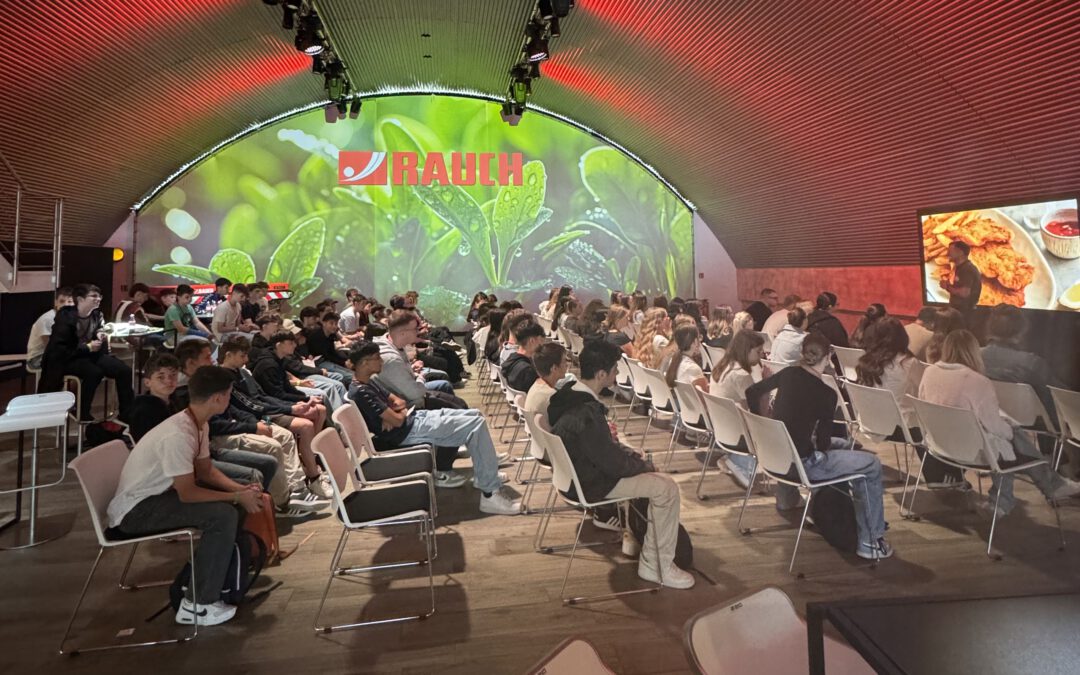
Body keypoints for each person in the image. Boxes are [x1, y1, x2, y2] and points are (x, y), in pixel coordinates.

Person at [107, 365, 262, 626]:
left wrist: (240, 490)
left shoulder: (197, 422)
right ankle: (198, 604)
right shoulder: (178, 434)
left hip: (156, 497)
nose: (229, 398)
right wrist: (236, 497)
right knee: (223, 515)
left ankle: (222, 580)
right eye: (228, 394)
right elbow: (188, 493)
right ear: (218, 398)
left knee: (233, 506)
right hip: (135, 511)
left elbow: (206, 471)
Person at [547, 340, 695, 589]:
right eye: (615, 369)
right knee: (666, 488)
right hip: (591, 484)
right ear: (601, 374)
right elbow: (613, 464)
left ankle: (637, 542)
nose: (617, 374)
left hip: (575, 477)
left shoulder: (569, 395)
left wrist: (630, 457)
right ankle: (656, 565)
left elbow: (604, 452)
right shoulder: (586, 412)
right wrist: (643, 465)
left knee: (644, 470)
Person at [747, 333, 893, 560]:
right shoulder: (827, 394)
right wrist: (813, 439)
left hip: (774, 456)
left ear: (803, 353)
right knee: (871, 465)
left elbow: (752, 392)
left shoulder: (788, 373)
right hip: (803, 465)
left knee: (845, 445)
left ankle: (815, 505)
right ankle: (870, 541)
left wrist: (766, 424)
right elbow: (823, 445)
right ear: (827, 358)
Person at [919, 330, 1080, 517]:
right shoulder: (977, 381)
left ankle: (1018, 496)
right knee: (1011, 436)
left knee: (1008, 435)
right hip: (973, 452)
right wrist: (1011, 429)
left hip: (939, 445)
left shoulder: (929, 372)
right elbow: (996, 428)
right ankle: (1041, 489)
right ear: (973, 351)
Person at [348, 342, 521, 514]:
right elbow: (398, 421)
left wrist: (394, 412)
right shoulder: (362, 392)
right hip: (408, 431)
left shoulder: (369, 382)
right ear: (364, 363)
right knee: (475, 425)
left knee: (475, 415)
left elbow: (400, 402)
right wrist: (395, 414)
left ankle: (483, 475)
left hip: (413, 419)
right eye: (377, 358)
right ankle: (490, 493)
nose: (381, 361)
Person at [132, 351, 276, 491]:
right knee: (252, 477)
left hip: (203, 451)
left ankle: (265, 502)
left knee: (268, 463)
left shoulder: (178, 400)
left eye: (172, 375)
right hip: (178, 466)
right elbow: (159, 455)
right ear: (147, 382)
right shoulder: (144, 411)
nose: (168, 381)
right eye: (161, 377)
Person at [218, 336, 333, 500]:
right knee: (304, 426)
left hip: (265, 411)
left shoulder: (243, 372)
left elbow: (262, 397)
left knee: (317, 411)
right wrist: (290, 408)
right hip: (257, 417)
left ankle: (310, 467)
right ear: (228, 355)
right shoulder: (224, 378)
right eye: (242, 355)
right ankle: (306, 479)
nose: (246, 359)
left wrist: (297, 403)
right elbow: (250, 406)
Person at [856, 318, 964, 487]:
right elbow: (927, 391)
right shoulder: (907, 363)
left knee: (923, 424)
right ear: (902, 337)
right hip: (899, 427)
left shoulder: (865, 362)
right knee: (938, 423)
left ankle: (945, 476)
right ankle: (943, 476)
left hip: (870, 422)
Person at [40, 284, 134, 423]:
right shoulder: (65, 316)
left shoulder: (97, 314)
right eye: (94, 296)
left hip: (90, 354)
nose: (98, 299)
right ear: (80, 299)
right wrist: (87, 347)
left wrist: (100, 334)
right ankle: (81, 411)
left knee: (124, 370)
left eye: (99, 296)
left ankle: (127, 413)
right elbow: (61, 347)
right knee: (94, 372)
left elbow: (100, 328)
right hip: (67, 357)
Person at [981, 304, 1065, 432]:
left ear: (989, 328)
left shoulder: (972, 357)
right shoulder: (1032, 363)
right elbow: (1063, 398)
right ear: (1022, 331)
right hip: (1033, 427)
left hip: (986, 424)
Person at [709, 330, 767, 489]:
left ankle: (736, 459)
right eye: (758, 351)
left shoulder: (722, 367)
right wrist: (766, 384)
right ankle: (739, 462)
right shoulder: (741, 375)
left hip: (721, 429)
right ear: (747, 350)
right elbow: (755, 413)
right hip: (737, 434)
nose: (761, 356)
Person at [374, 310, 457, 407]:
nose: (418, 332)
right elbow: (416, 394)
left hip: (412, 391)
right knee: (458, 404)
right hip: (411, 405)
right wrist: (421, 377)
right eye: (415, 329)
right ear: (403, 333)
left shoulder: (393, 342)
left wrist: (412, 370)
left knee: (447, 388)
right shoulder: (391, 359)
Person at [26, 286, 73, 370]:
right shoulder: (48, 319)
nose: (66, 304)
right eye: (62, 301)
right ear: (56, 302)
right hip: (37, 358)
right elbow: (51, 347)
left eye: (70, 301)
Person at [305, 310, 354, 380]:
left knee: (352, 372)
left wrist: (346, 361)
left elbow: (332, 352)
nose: (334, 326)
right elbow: (327, 355)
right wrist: (343, 363)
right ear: (324, 323)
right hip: (319, 362)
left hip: (328, 360)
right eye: (331, 323)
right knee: (349, 376)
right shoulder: (316, 336)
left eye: (336, 324)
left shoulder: (331, 334)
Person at [501, 319, 546, 393]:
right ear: (532, 341)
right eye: (541, 341)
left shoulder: (510, 360)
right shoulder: (528, 371)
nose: (542, 345)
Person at [659, 325, 708, 390]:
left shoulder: (673, 360)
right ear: (695, 341)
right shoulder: (693, 368)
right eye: (699, 337)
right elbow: (704, 395)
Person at [941, 240, 982, 314]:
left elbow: (964, 293)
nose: (947, 253)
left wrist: (947, 287)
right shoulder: (960, 267)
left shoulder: (967, 269)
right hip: (958, 310)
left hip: (964, 313)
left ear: (960, 252)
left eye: (950, 251)